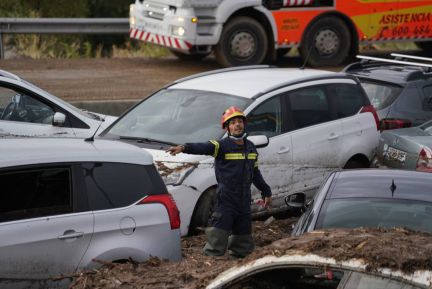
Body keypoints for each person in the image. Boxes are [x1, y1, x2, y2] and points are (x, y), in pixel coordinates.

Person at [167, 106, 272, 258]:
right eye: (233, 122)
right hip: (226, 200)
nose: (237, 125)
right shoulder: (221, 146)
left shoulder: (250, 147)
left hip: (244, 201)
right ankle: (211, 267)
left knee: (243, 242)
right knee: (217, 240)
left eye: (240, 121)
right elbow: (203, 146)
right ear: (227, 127)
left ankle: (238, 266)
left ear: (244, 124)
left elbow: (255, 173)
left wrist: (266, 191)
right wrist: (184, 148)